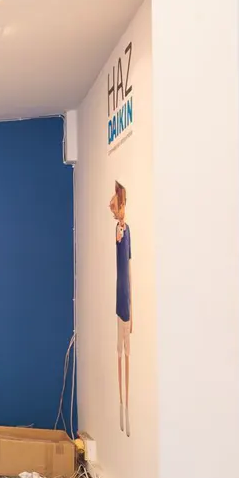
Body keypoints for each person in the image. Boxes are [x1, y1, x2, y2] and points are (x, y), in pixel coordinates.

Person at [110, 181, 132, 437]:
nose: (114, 210)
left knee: (126, 353)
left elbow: (130, 269)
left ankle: (126, 402)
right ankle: (120, 403)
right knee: (119, 351)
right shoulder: (118, 230)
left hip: (125, 298)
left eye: (116, 205)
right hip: (119, 299)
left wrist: (133, 309)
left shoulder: (128, 231)